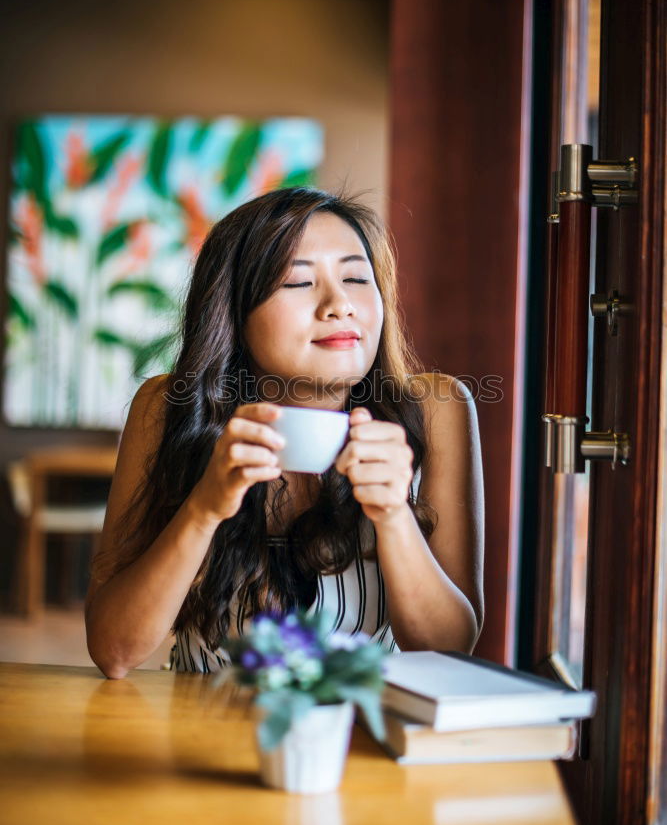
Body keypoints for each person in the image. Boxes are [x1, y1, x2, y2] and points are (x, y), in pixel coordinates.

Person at [85, 187, 484, 678]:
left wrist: (392, 514)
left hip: (362, 734)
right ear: (234, 311)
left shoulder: (434, 409)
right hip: (199, 731)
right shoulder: (168, 407)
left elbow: (449, 649)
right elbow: (114, 650)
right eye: (298, 283)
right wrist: (205, 508)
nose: (340, 305)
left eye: (357, 277)